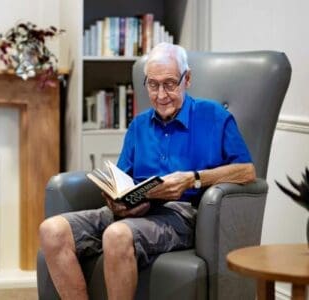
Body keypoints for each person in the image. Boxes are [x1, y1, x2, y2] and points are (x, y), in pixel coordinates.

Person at [39, 42, 256, 300]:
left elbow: (247, 171)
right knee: (52, 230)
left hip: (182, 214)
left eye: (169, 84)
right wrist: (117, 202)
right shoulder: (139, 124)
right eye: (153, 85)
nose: (161, 95)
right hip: (135, 214)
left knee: (117, 235)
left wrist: (193, 179)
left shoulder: (214, 116)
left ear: (187, 79)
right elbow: (120, 179)